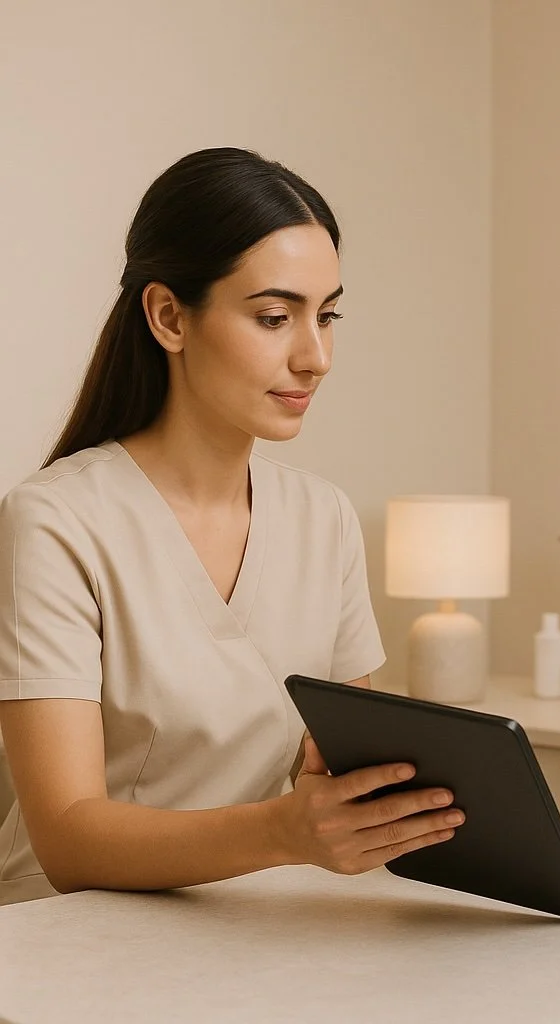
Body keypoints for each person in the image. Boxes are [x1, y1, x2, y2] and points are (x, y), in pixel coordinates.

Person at [0, 147, 464, 906]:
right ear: (168, 316)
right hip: (66, 943)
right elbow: (66, 838)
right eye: (275, 317)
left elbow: (343, 773)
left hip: (249, 925)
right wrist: (284, 833)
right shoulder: (55, 521)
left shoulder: (325, 518)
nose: (315, 357)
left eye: (329, 315)